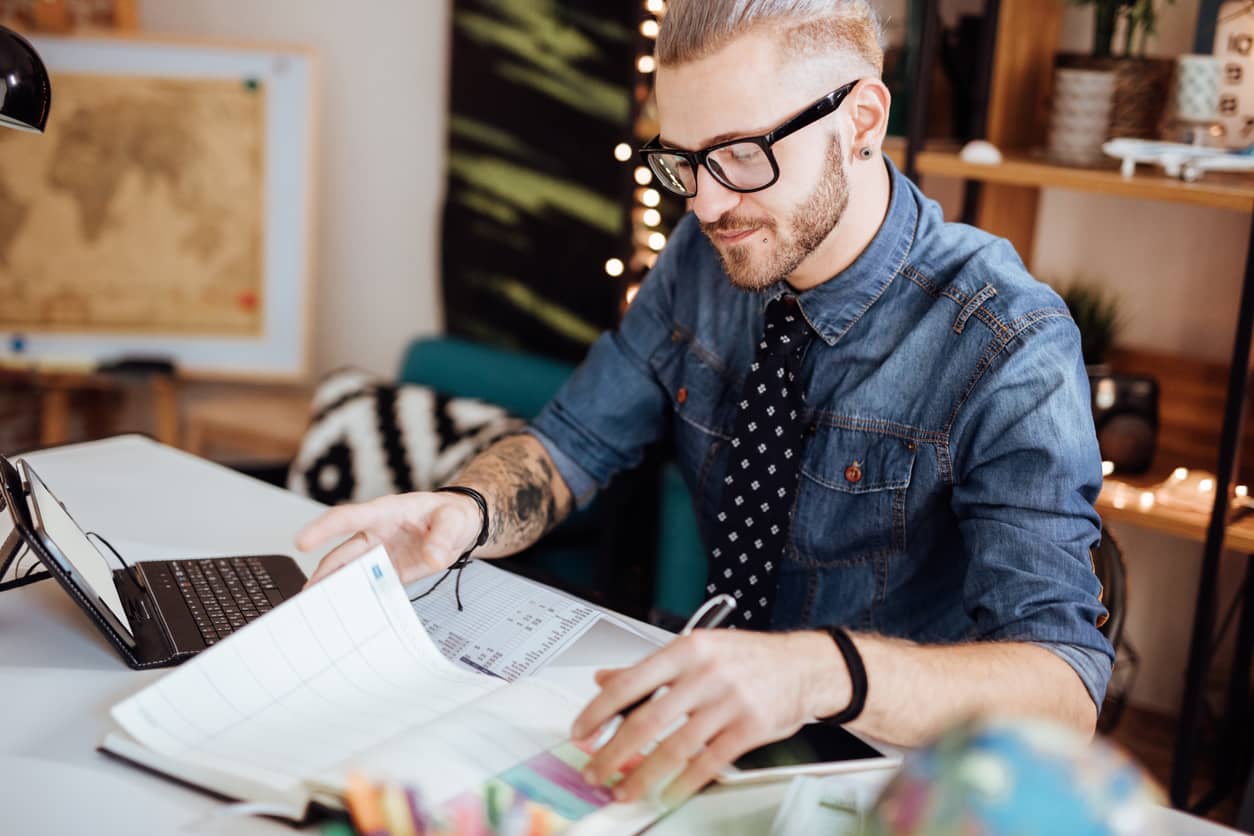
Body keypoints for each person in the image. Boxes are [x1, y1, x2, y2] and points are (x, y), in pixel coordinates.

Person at [297, 0, 1112, 809]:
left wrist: (815, 671)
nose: (706, 204)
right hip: (706, 743)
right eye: (683, 160)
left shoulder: (1008, 340)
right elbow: (572, 444)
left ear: (861, 118)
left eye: (742, 153)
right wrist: (463, 513)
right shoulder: (703, 255)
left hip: (893, 783)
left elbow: (1064, 686)